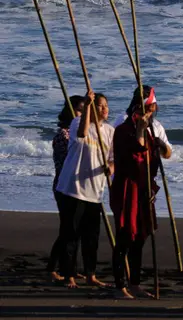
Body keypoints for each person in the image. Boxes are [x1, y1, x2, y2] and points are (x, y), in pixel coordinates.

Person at [56, 91, 114, 289]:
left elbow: (113, 158)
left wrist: (111, 168)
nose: (104, 109)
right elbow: (81, 134)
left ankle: (91, 274)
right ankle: (68, 275)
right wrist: (88, 105)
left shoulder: (109, 131)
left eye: (106, 105)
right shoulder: (78, 123)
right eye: (100, 105)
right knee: (70, 235)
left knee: (91, 237)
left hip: (95, 191)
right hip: (73, 189)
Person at [111, 85, 161, 299]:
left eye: (150, 110)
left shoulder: (149, 130)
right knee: (125, 237)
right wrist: (140, 132)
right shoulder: (123, 130)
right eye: (145, 110)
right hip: (126, 190)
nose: (148, 114)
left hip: (143, 189)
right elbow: (133, 161)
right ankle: (119, 284)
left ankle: (135, 283)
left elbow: (151, 163)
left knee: (140, 237)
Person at [47, 95, 85, 281]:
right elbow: (71, 159)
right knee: (67, 229)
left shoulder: (76, 132)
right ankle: (53, 267)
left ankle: (70, 266)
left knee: (76, 229)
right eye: (79, 110)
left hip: (76, 185)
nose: (82, 113)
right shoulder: (63, 135)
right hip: (64, 186)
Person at [114, 88, 172, 160]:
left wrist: (162, 144)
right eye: (147, 109)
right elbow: (138, 154)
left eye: (152, 109)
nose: (149, 114)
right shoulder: (123, 121)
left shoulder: (156, 126)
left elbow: (167, 155)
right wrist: (140, 129)